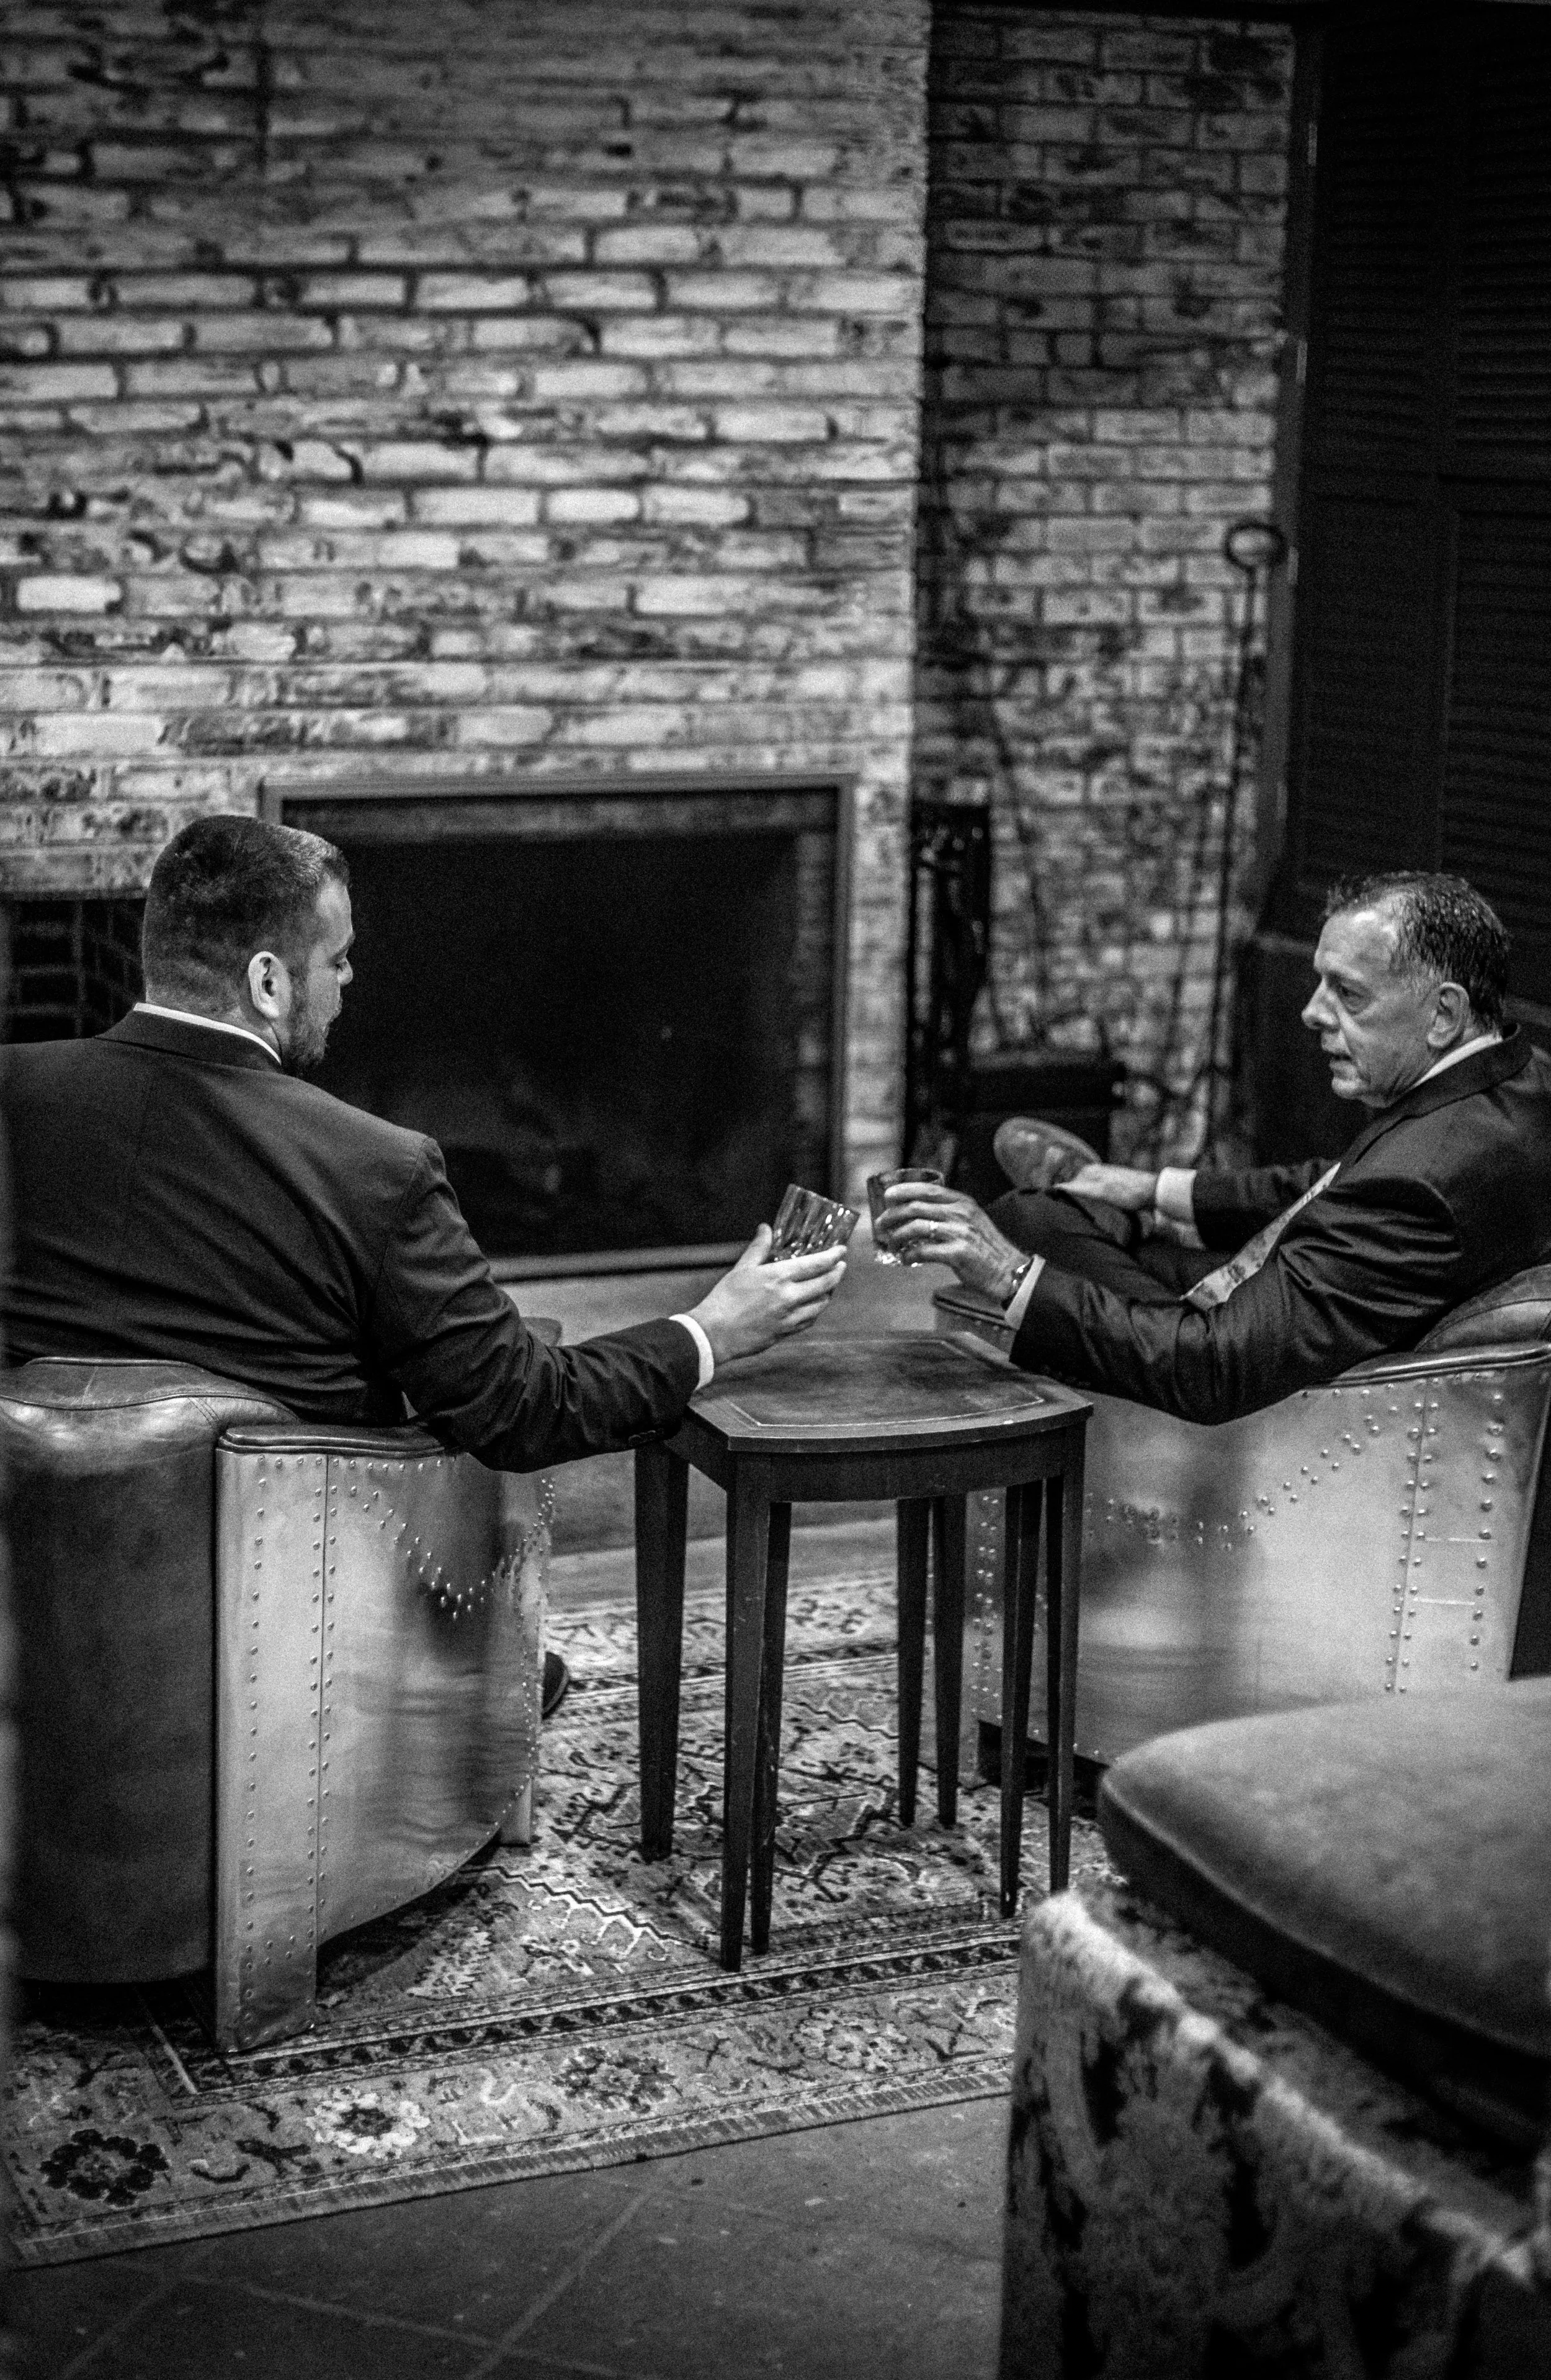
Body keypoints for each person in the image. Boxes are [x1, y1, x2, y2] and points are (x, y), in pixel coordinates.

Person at [1, 817, 847, 1712]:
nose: (349, 980)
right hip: (288, 1626)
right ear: (267, 980)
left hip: (41, 1602)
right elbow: (521, 1407)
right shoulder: (374, 1167)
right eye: (338, 959)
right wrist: (709, 1330)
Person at [879, 872, 1551, 1422]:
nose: (1313, 1013)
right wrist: (1153, 1187)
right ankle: (1118, 1203)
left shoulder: (1421, 1182)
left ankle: (1092, 1217)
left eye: (1347, 994)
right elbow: (1336, 1181)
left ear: (1443, 1013)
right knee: (1073, 1219)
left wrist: (1002, 1271)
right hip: (1298, 1286)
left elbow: (1212, 1369)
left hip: (1255, 1382)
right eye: (1319, 982)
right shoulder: (1515, 1079)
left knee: (1028, 1221)